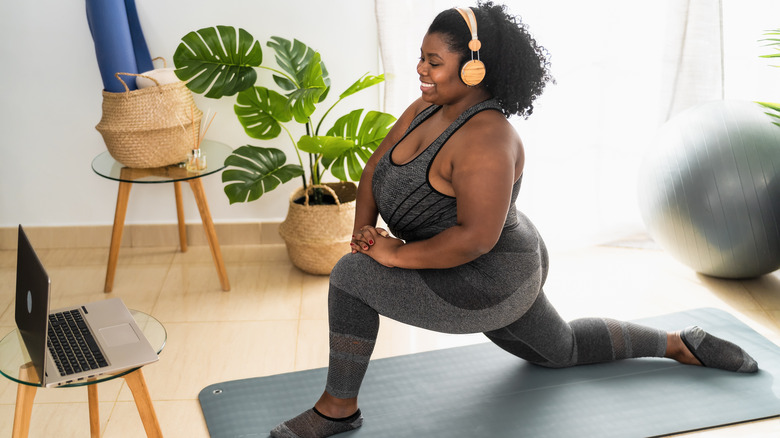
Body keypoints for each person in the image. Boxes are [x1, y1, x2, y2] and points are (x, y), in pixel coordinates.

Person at [270, 2, 758, 437]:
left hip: (489, 277)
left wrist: (392, 253)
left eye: (433, 61)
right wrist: (364, 230)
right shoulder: (426, 106)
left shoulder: (487, 139)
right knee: (560, 350)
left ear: (475, 68)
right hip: (475, 261)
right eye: (421, 56)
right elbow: (376, 166)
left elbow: (475, 240)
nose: (420, 68)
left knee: (352, 276)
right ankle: (678, 344)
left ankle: (338, 409)